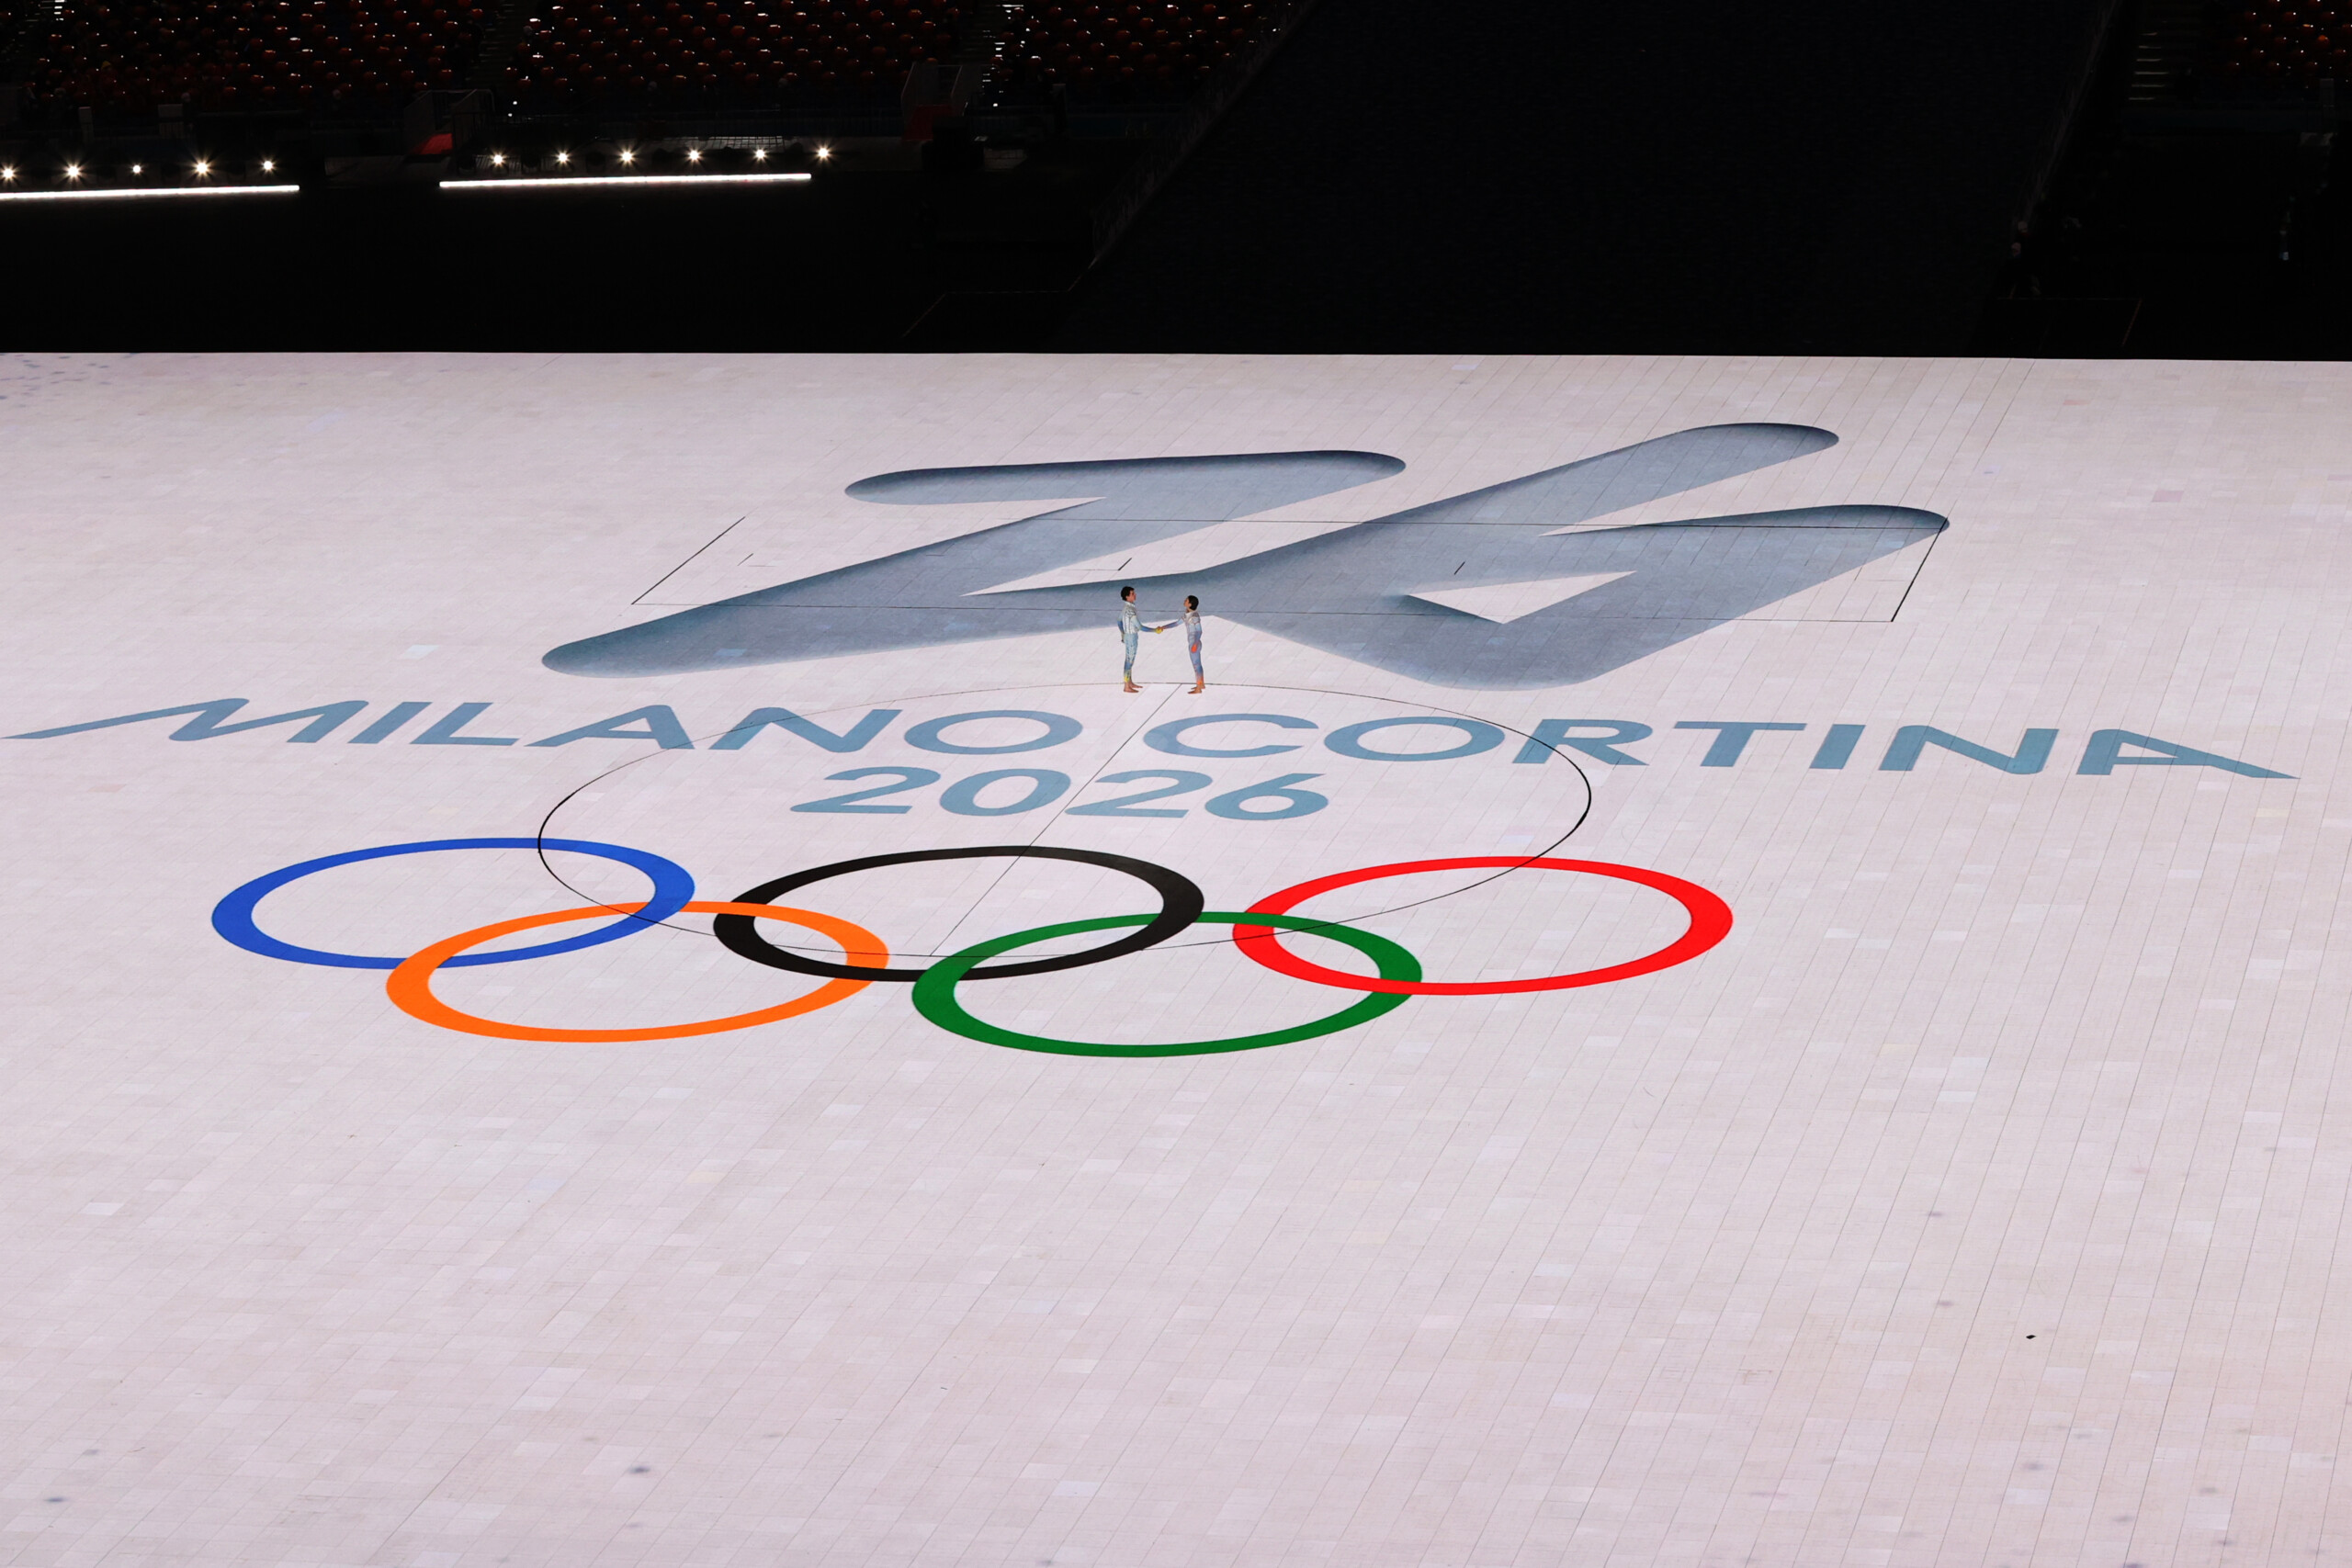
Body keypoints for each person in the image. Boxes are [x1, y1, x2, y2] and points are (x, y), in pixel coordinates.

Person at [1153, 594, 1205, 693]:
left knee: (1196, 664)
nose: (1184, 601)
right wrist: (1163, 627)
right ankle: (1201, 684)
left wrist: (1195, 643)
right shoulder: (1187, 615)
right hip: (1193, 642)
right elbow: (1176, 623)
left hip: (1194, 642)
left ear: (1190, 604)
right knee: (1197, 664)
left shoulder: (1194, 616)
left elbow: (1199, 631)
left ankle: (1199, 688)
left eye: (1186, 600)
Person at [1117, 584, 1161, 693]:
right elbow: (1140, 627)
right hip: (1131, 637)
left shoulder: (1126, 608)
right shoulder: (1130, 610)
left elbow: (1119, 621)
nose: (1135, 595)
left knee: (1129, 660)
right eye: (1132, 594)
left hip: (1128, 636)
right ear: (1127, 597)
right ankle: (1126, 686)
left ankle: (1129, 682)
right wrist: (1154, 630)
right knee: (1129, 661)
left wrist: (1123, 633)